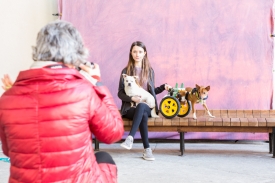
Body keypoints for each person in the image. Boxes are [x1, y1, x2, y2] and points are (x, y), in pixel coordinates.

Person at [0, 20, 124, 183]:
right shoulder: (83, 91)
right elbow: (113, 133)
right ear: (75, 54)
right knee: (104, 157)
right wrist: (97, 83)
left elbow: (10, 151)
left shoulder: (7, 99)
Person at [118, 41, 171, 161]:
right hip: (130, 108)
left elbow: (151, 92)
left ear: (144, 53)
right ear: (131, 53)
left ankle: (130, 138)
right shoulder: (125, 72)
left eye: (140, 52)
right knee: (142, 113)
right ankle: (147, 150)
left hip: (146, 107)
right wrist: (131, 98)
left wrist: (163, 87)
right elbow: (120, 93)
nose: (137, 54)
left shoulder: (149, 71)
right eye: (135, 51)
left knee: (142, 106)